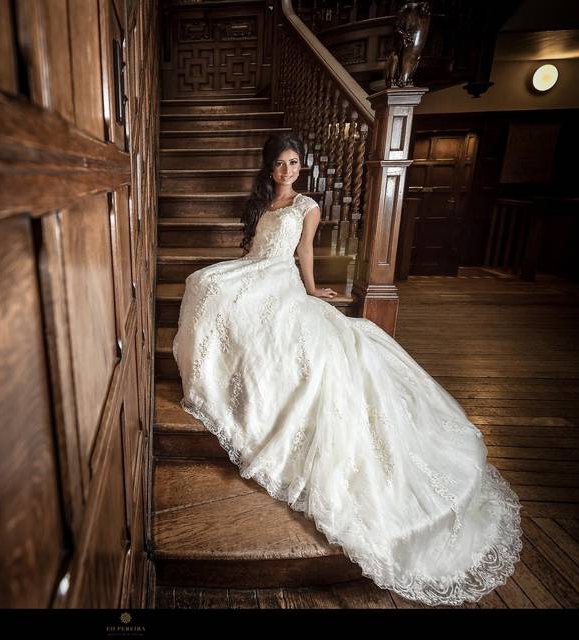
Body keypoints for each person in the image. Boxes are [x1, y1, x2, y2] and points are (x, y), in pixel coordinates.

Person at [171, 133, 523, 606]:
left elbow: (304, 253)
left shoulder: (306, 205)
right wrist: (245, 270)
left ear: (302, 167)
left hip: (280, 278)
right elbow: (253, 248)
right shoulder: (262, 199)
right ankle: (212, 377)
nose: (286, 171)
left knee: (231, 298)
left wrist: (312, 290)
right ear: (268, 167)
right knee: (206, 283)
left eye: (294, 163)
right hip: (253, 269)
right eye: (279, 163)